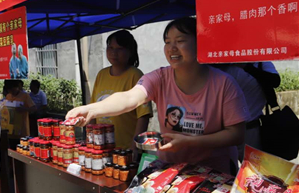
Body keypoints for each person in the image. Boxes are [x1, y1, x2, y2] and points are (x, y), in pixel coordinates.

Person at [67, 17, 249, 174]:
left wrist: (191, 142)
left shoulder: (224, 84)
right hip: (171, 171)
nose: (172, 48)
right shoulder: (159, 78)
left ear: (200, 43)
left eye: (180, 41)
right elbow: (130, 97)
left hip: (213, 174)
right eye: (167, 42)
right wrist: (92, 109)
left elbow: (236, 134)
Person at [91, 30, 151, 150]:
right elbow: (93, 109)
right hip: (101, 147)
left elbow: (143, 116)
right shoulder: (101, 74)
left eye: (120, 48)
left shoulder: (136, 75)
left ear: (130, 51)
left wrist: (135, 147)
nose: (114, 52)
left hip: (125, 149)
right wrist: (91, 139)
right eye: (111, 47)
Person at [213, 62, 280, 161]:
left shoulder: (261, 63)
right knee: (224, 168)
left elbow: (275, 81)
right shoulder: (216, 64)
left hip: (251, 129)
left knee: (252, 167)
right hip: (222, 130)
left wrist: (247, 67)